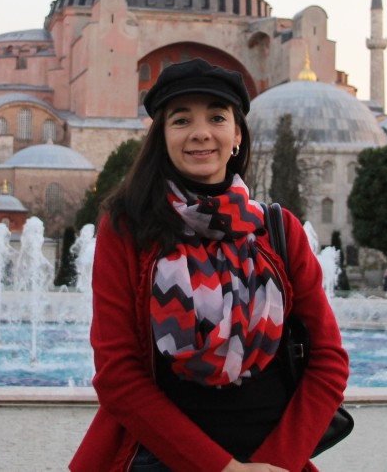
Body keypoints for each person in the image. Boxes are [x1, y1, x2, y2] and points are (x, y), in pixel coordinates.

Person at [70, 59, 349, 472]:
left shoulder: (278, 229)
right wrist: (223, 469)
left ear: (237, 134)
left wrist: (277, 462)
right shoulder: (129, 227)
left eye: (217, 117)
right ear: (162, 136)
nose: (201, 132)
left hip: (273, 458)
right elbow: (117, 375)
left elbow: (329, 358)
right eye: (181, 120)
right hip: (161, 458)